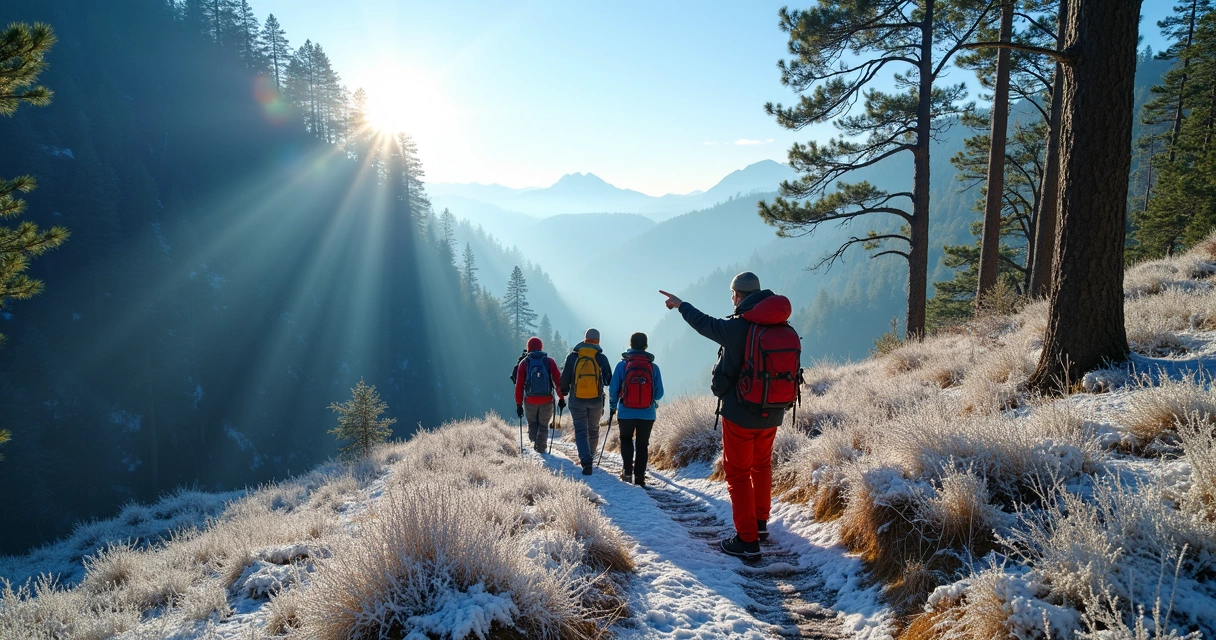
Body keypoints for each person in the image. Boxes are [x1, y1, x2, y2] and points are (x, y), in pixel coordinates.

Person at [660, 272, 798, 560]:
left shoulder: (739, 327)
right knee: (762, 466)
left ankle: (747, 541)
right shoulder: (781, 324)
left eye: (732, 295)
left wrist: (681, 305)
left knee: (737, 474)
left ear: (737, 295)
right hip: (773, 411)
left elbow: (704, 324)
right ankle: (759, 525)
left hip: (740, 411)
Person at [609, 332, 664, 487]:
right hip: (647, 413)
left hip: (626, 411)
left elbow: (613, 389)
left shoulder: (622, 365)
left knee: (626, 440)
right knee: (642, 444)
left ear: (631, 345)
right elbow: (659, 393)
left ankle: (627, 471)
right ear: (646, 346)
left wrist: (613, 406)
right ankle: (639, 476)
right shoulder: (653, 367)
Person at [559, 328, 612, 475]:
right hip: (596, 400)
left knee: (581, 431)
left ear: (584, 339)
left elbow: (565, 378)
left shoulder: (573, 357)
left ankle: (585, 461)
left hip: (577, 400)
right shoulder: (601, 358)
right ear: (598, 341)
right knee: (593, 430)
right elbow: (608, 380)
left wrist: (564, 391)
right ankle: (591, 455)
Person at [514, 337, 565, 453]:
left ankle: (533, 438)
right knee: (543, 425)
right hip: (547, 400)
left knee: (532, 423)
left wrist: (518, 404)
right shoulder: (549, 361)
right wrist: (561, 398)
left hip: (530, 400)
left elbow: (519, 385)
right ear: (541, 347)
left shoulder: (524, 363)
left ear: (529, 347)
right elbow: (558, 382)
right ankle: (541, 447)